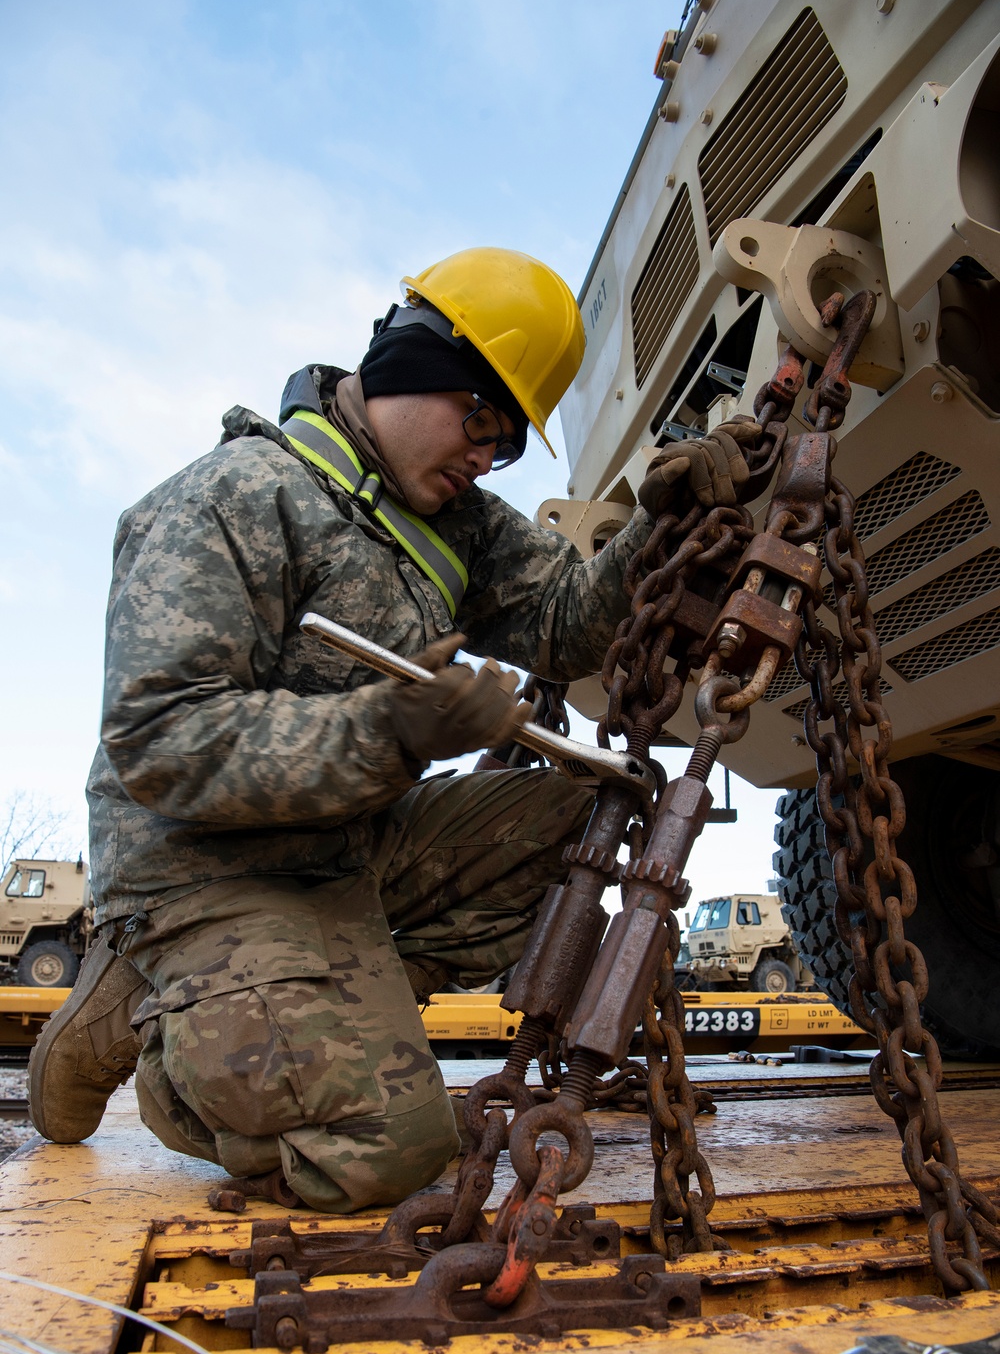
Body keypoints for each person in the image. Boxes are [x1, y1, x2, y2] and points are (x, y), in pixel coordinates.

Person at [28, 246, 705, 1213]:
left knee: (580, 826)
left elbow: (563, 625)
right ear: (414, 367)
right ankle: (166, 1040)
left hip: (349, 850)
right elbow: (161, 737)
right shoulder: (234, 498)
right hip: (209, 870)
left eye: (507, 442)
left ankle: (312, 994)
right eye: (481, 421)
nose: (486, 456)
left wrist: (660, 530)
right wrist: (389, 729)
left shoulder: (456, 521)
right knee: (389, 1148)